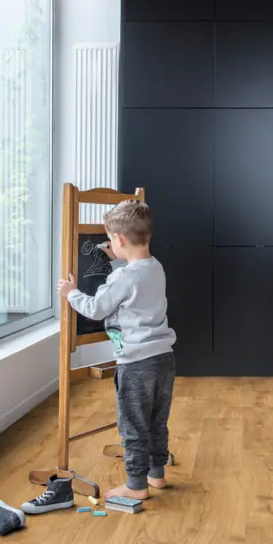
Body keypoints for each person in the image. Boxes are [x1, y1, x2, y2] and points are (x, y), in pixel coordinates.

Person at [58, 200, 176, 501]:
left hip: (136, 363)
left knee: (133, 424)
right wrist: (116, 259)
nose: (109, 244)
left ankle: (136, 486)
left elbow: (97, 308)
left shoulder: (123, 277)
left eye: (111, 239)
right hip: (163, 359)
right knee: (156, 420)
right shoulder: (156, 267)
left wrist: (71, 293)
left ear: (119, 239)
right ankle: (156, 474)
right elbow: (134, 287)